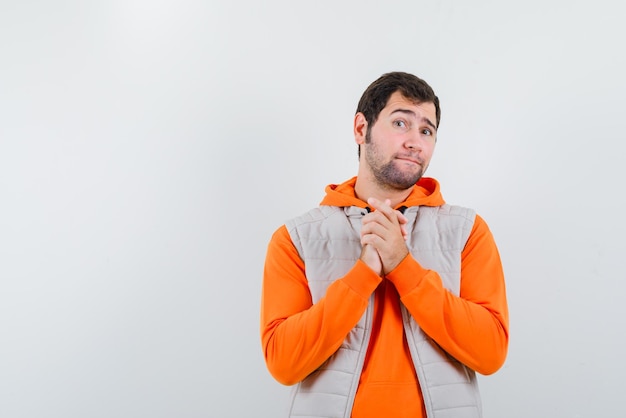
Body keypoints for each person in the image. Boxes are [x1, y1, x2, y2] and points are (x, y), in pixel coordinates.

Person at [260, 71, 509, 418]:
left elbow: (491, 353)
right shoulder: (296, 239)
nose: (415, 141)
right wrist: (363, 274)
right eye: (400, 123)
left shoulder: (467, 231)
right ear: (361, 129)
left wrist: (403, 267)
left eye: (427, 130)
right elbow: (284, 364)